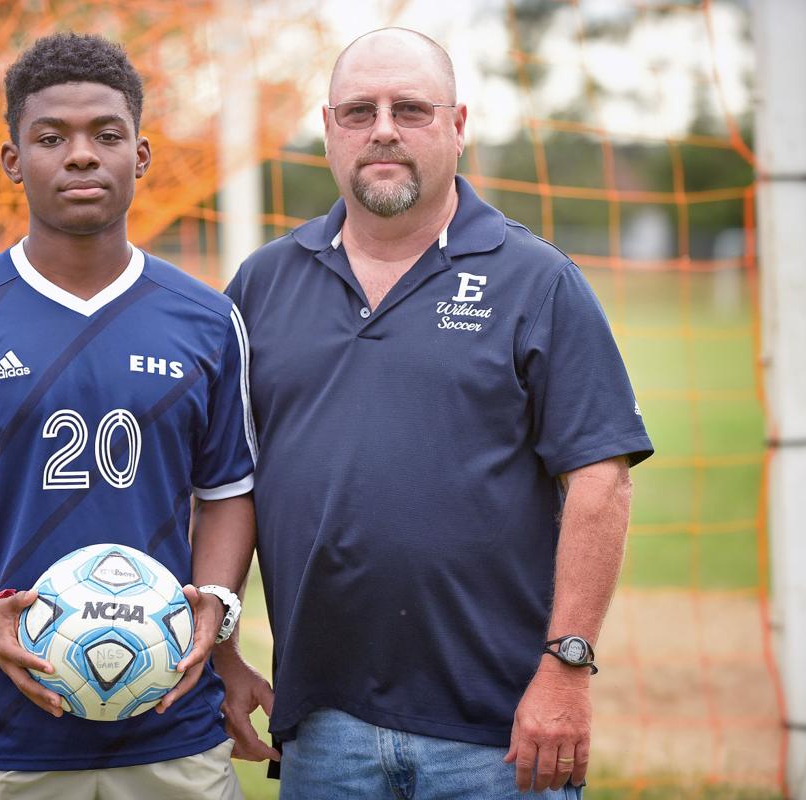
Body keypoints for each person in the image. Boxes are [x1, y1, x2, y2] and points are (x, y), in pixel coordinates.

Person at [218, 27, 653, 799]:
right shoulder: (263, 283)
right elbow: (224, 485)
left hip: (500, 734)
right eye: (360, 111)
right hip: (321, 727)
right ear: (329, 130)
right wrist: (221, 651)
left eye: (410, 109)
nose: (383, 129)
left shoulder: (537, 280)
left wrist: (567, 668)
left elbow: (600, 480)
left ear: (457, 126)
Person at [0, 33, 256, 800]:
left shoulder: (208, 320)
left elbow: (227, 492)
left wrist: (216, 602)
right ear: (13, 160)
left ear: (140, 155)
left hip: (174, 727)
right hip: (0, 734)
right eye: (51, 138)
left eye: (106, 135)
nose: (81, 156)